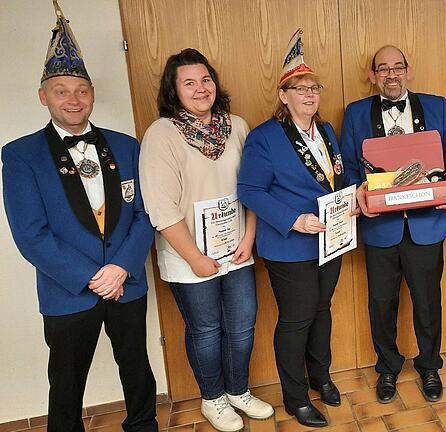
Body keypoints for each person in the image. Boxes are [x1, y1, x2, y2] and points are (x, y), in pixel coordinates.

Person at [2, 3, 157, 430]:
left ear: (92, 94)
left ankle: (143, 426)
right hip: (68, 289)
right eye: (61, 90)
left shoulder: (126, 146)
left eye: (81, 90)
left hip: (127, 283)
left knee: (137, 368)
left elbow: (145, 215)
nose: (73, 99)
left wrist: (121, 268)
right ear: (43, 96)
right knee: (67, 381)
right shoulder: (19, 155)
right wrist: (94, 275)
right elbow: (31, 234)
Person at [139, 48, 273, 431]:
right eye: (189, 82)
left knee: (243, 325)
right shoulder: (161, 134)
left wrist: (250, 236)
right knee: (206, 329)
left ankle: (238, 392)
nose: (201, 89)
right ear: (174, 90)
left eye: (206, 80)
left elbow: (253, 187)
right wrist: (195, 257)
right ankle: (212, 399)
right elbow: (161, 207)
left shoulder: (238, 126)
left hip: (237, 249)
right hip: (188, 256)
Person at [340, 45, 446, 403]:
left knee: (428, 302)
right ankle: (388, 368)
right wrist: (359, 191)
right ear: (372, 76)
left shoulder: (437, 106)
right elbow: (349, 166)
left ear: (408, 71)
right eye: (383, 69)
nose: (391, 75)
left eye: (397, 67)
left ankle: (430, 366)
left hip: (426, 225)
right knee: (381, 304)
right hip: (381, 228)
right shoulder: (354, 113)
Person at [238, 29, 346, 428]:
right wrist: (293, 219)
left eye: (313, 87)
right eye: (299, 88)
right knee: (297, 317)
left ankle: (321, 376)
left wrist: (351, 203)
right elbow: (249, 190)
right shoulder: (265, 137)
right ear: (284, 95)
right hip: (289, 245)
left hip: (329, 240)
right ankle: (295, 397)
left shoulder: (328, 131)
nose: (309, 94)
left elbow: (336, 176)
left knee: (322, 312)